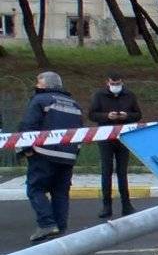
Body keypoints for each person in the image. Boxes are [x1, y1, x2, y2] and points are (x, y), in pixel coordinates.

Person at [18, 72, 84, 242]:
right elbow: (81, 132)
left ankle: (47, 224)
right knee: (60, 193)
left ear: (45, 85)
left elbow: (28, 125)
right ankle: (60, 229)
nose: (36, 86)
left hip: (44, 153)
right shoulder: (74, 104)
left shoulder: (40, 100)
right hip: (68, 155)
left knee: (35, 189)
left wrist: (27, 149)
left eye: (38, 83)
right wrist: (74, 153)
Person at [88, 71, 142, 218]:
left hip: (123, 137)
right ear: (108, 83)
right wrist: (107, 116)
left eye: (118, 84)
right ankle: (106, 206)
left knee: (122, 172)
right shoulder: (99, 95)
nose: (115, 86)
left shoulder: (129, 95)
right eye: (113, 84)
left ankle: (126, 205)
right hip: (105, 137)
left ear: (122, 82)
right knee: (106, 171)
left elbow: (138, 114)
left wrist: (127, 116)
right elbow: (92, 114)